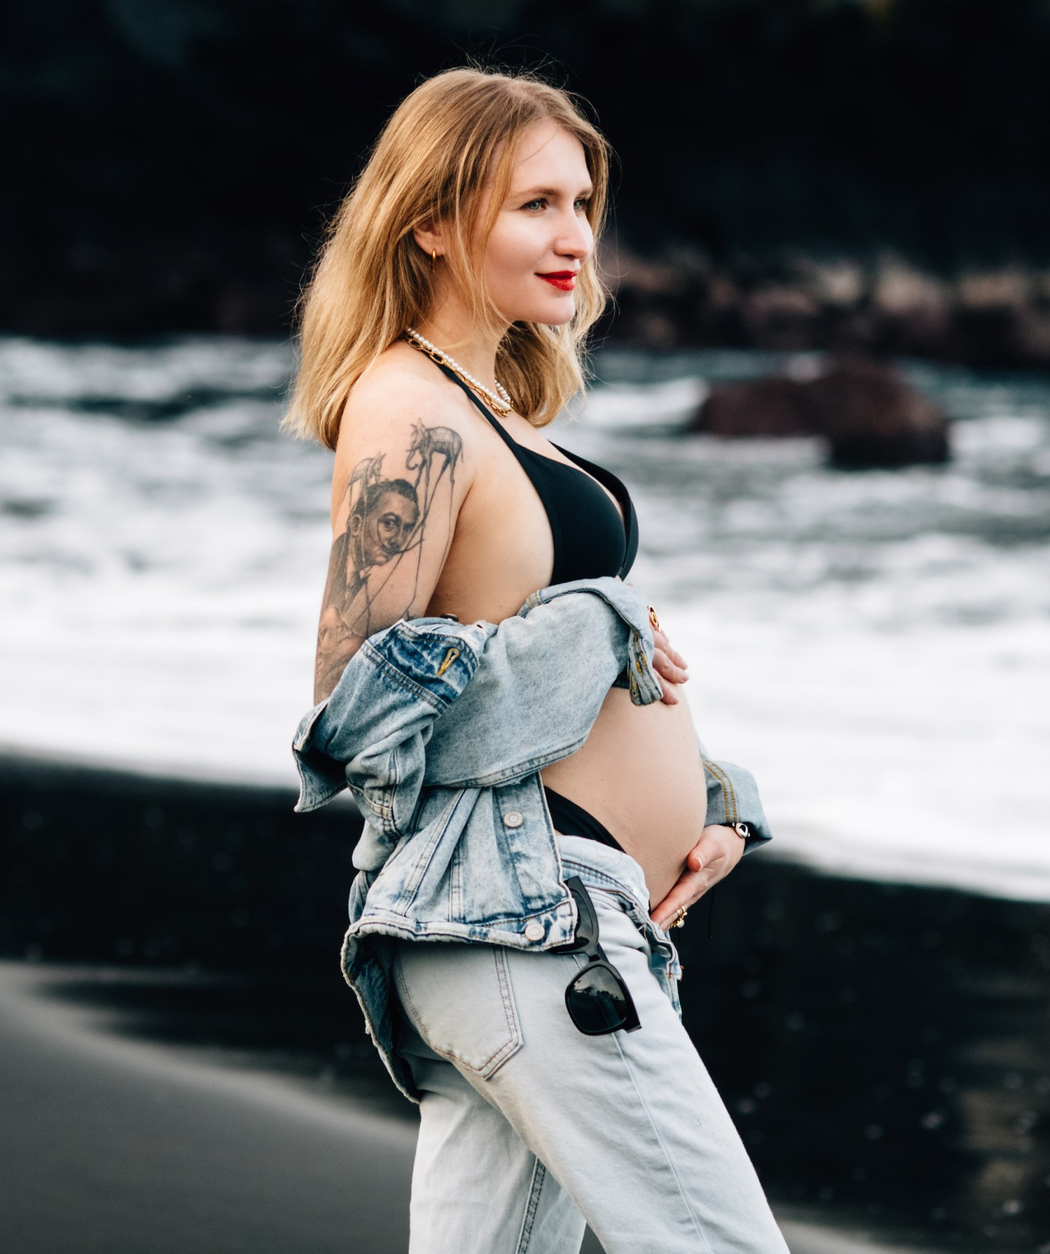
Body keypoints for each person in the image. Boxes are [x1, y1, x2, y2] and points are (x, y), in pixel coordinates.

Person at [284, 67, 788, 1253]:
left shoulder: (494, 405)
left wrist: (710, 800)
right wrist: (595, 631)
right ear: (432, 222)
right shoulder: (410, 412)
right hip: (523, 923)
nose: (575, 237)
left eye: (581, 202)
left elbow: (538, 658)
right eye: (535, 206)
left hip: (541, 925)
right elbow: (354, 718)